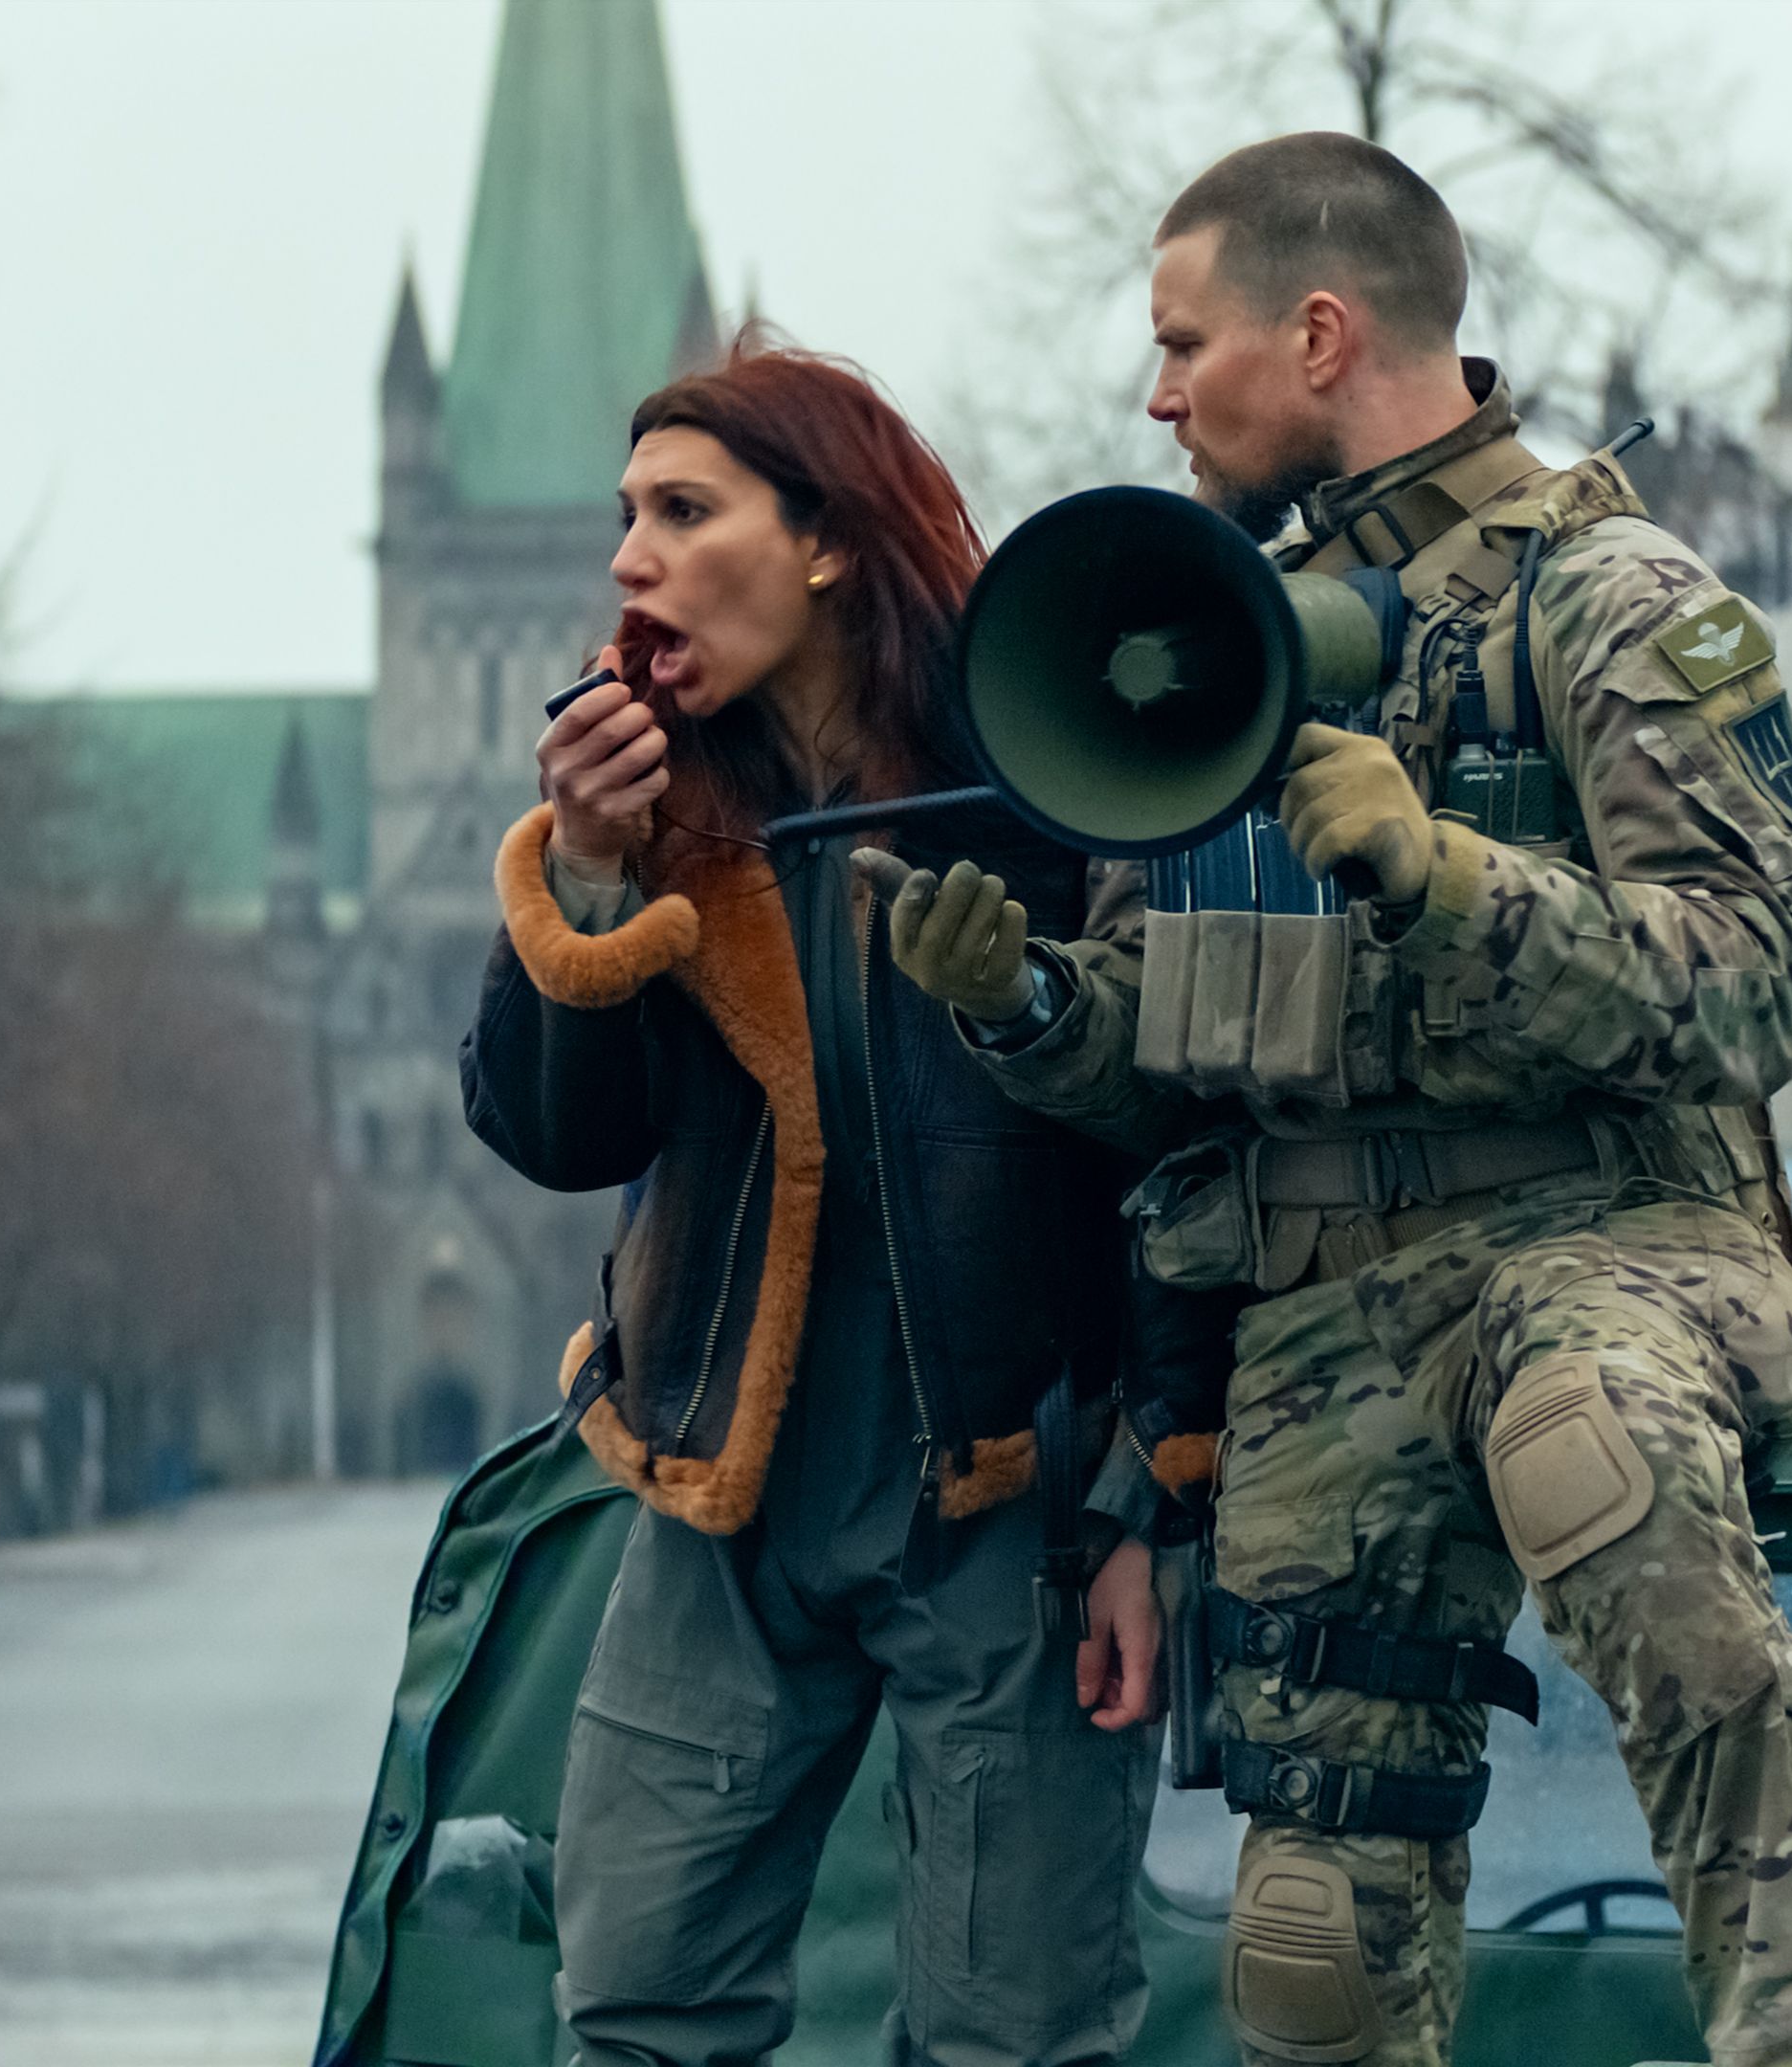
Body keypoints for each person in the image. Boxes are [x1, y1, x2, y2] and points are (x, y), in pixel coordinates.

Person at [873, 134, 1792, 2067]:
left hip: (1603, 1248)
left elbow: (1752, 986)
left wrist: (1444, 874)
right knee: (1310, 1951)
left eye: (1186, 341)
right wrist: (1015, 1003)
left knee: (1615, 1492)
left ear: (1322, 330)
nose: (1156, 393)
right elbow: (1166, 1056)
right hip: (1326, 1329)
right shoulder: (1199, 645)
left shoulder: (1606, 602)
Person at [463, 329, 1160, 2067]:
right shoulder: (663, 812)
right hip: (727, 1497)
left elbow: (1178, 1154)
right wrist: (590, 883)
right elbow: (549, 1131)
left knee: (1015, 2032)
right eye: (627, 515)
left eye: (684, 510)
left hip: (1010, 1502)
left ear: (828, 539)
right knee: (633, 2011)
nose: (628, 557)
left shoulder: (1052, 789)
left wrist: (1149, 1501)